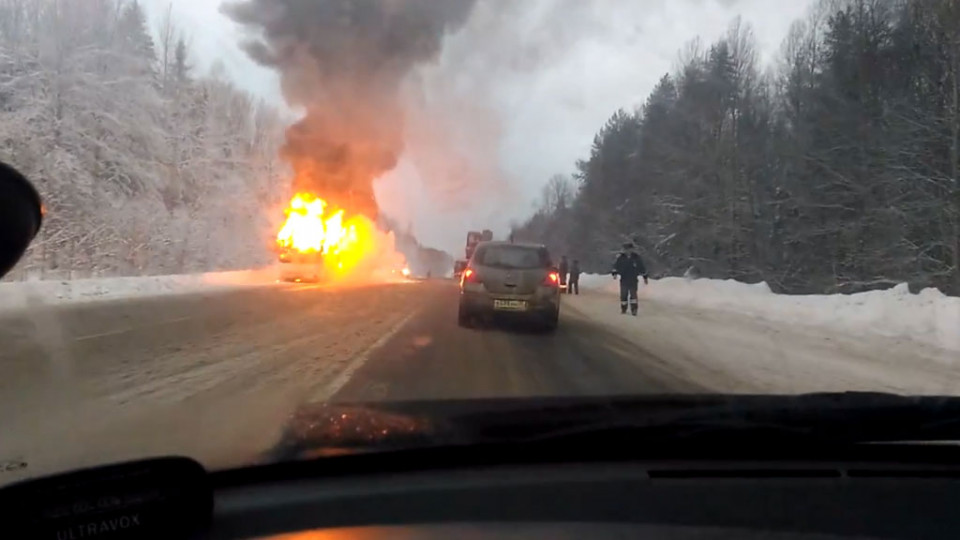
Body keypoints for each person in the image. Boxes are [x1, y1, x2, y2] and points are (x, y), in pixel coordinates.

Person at [611, 243, 648, 315]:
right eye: (626, 249)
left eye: (630, 249)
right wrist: (615, 273)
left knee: (633, 295)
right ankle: (624, 308)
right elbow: (616, 266)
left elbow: (641, 267)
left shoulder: (636, 258)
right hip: (624, 279)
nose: (628, 251)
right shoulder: (621, 258)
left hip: (633, 279)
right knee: (623, 294)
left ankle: (634, 309)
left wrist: (645, 277)